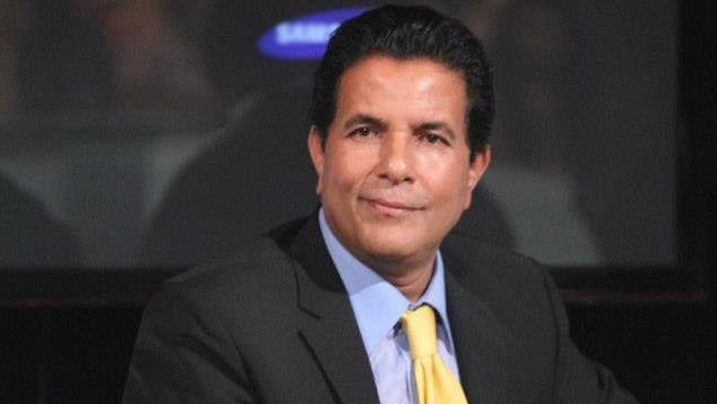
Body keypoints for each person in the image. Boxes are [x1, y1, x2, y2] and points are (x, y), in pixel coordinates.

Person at [123, 5, 634, 403]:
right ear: (320, 151)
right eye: (366, 131)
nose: (395, 165)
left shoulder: (518, 297)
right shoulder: (214, 323)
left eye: (430, 138)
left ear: (474, 169)